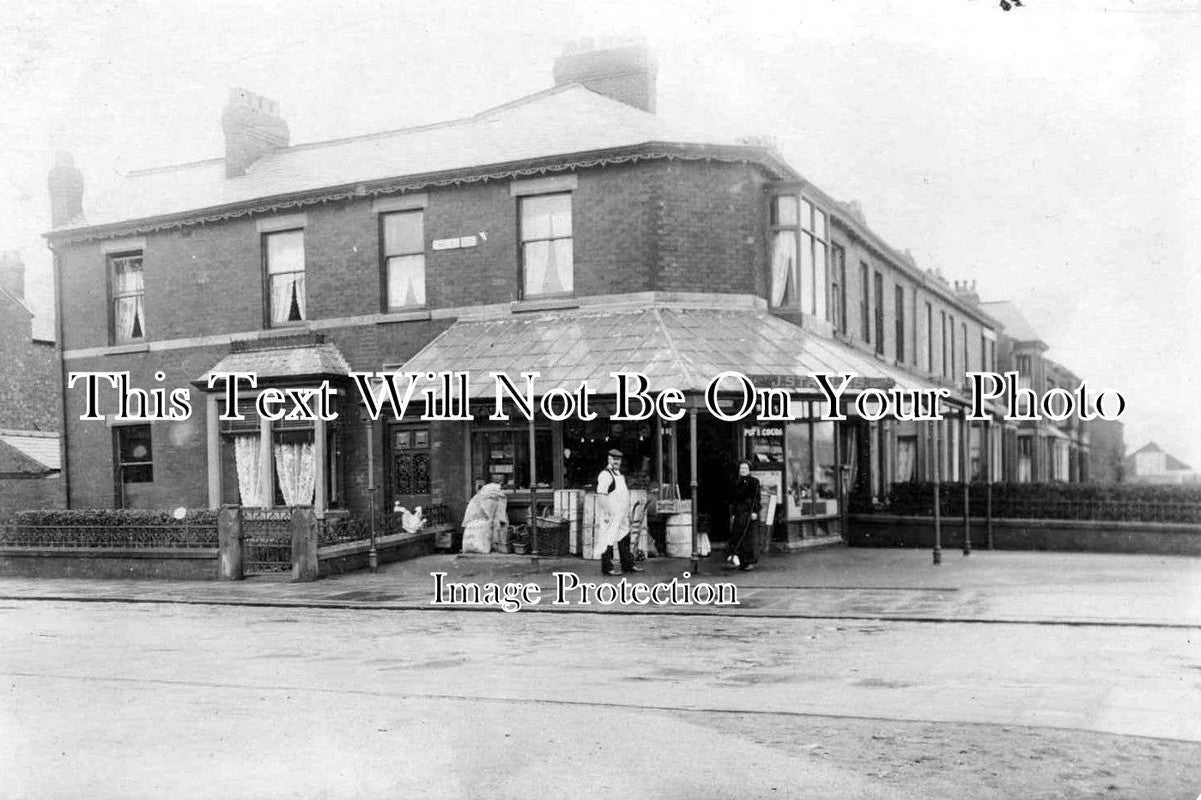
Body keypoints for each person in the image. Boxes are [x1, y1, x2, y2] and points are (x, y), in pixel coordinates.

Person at [597, 448, 643, 576]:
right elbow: (601, 495)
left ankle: (628, 564)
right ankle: (607, 568)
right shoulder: (605, 475)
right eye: (614, 459)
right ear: (609, 459)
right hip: (610, 514)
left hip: (621, 515)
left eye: (618, 459)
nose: (616, 461)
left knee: (624, 539)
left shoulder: (618, 474)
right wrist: (606, 513)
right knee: (608, 540)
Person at [727, 460, 762, 571]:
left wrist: (755, 511)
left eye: (745, 468)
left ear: (749, 470)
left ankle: (750, 561)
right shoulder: (736, 482)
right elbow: (734, 499)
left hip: (749, 511)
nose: (743, 470)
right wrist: (733, 513)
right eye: (741, 468)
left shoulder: (754, 482)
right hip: (739, 512)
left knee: (749, 537)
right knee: (738, 535)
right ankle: (740, 561)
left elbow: (756, 497)